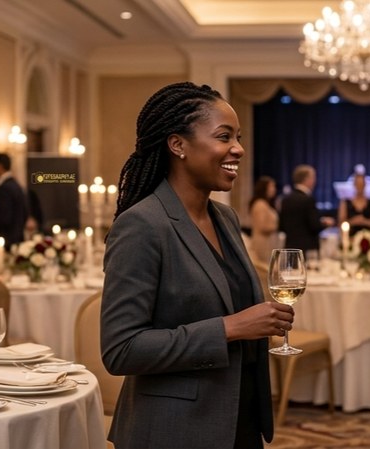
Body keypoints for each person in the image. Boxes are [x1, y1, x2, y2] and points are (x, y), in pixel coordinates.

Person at [100, 82, 291, 448]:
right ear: (178, 145)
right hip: (174, 430)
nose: (238, 148)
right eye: (224, 136)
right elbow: (121, 349)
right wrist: (230, 327)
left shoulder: (226, 217)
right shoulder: (142, 225)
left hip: (239, 418)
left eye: (238, 137)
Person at [279, 165, 330, 254]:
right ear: (307, 179)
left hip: (289, 248)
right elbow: (315, 226)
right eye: (313, 177)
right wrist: (325, 223)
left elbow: (281, 225)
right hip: (307, 250)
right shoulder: (308, 199)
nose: (314, 181)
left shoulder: (285, 199)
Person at [0, 153, 29, 247]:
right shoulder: (16, 185)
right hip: (16, 240)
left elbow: (2, 219)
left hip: (5, 242)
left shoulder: (5, 188)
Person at [248, 176, 279, 264]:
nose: (274, 189)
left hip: (268, 241)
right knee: (264, 268)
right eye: (271, 186)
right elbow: (262, 226)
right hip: (262, 243)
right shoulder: (260, 204)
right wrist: (275, 226)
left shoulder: (265, 203)